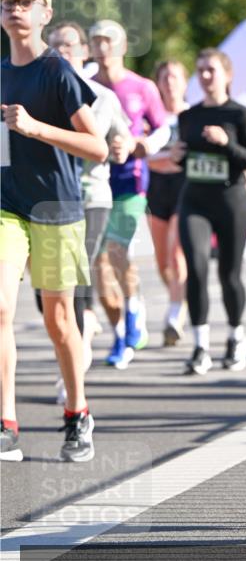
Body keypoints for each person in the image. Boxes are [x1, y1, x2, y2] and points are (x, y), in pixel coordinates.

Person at [0, 0, 107, 461]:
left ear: (45, 13)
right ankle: (6, 422)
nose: (15, 8)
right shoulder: (1, 72)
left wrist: (37, 128)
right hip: (7, 208)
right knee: (0, 310)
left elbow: (97, 147)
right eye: (8, 1)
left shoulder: (57, 72)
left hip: (56, 209)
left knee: (59, 320)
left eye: (26, 1)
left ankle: (77, 413)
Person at [47, 21, 131, 384]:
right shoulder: (40, 95)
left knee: (75, 274)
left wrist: (121, 148)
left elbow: (125, 139)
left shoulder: (102, 96)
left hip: (92, 195)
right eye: (55, 47)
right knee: (48, 289)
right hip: (48, 200)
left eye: (69, 46)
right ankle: (81, 333)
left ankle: (75, 365)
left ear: (83, 52)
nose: (62, 52)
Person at [173, 49, 246, 375]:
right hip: (195, 200)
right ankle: (200, 346)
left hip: (231, 200)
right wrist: (178, 155)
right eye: (200, 71)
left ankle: (236, 337)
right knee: (196, 269)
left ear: (227, 74)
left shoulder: (239, 115)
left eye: (211, 70)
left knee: (229, 274)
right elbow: (182, 160)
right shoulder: (188, 117)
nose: (205, 76)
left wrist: (227, 143)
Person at [90, 20, 170, 369]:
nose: (103, 47)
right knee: (98, 266)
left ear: (123, 46)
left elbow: (164, 127)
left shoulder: (142, 87)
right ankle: (120, 331)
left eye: (109, 41)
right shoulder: (85, 87)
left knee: (116, 250)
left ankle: (134, 305)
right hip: (93, 182)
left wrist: (144, 145)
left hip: (130, 183)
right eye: (96, 41)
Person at [146, 60, 189, 346]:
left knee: (176, 254)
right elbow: (144, 156)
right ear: (158, 83)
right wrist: (165, 159)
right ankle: (177, 294)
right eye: (164, 78)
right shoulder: (152, 117)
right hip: (155, 190)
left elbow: (189, 159)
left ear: (184, 82)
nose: (169, 82)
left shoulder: (192, 115)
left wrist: (168, 161)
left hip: (184, 190)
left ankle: (176, 313)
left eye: (174, 77)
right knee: (162, 261)